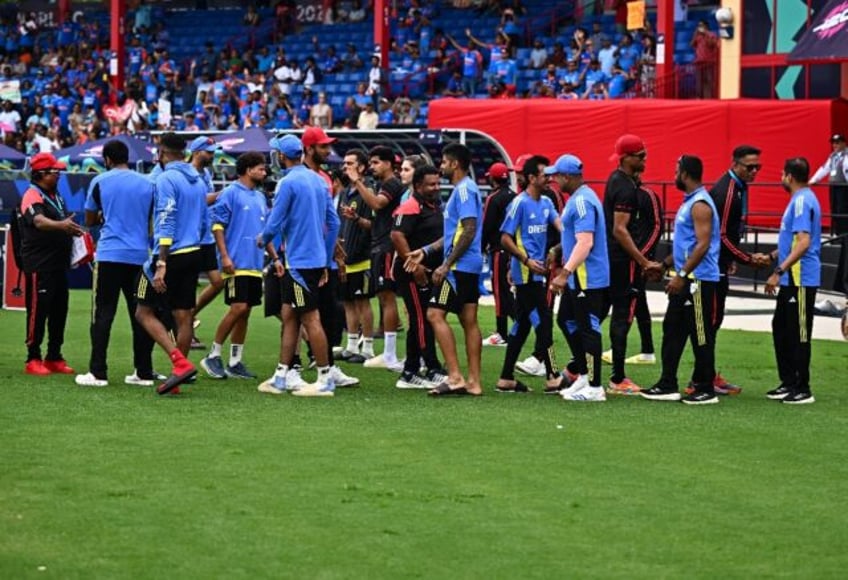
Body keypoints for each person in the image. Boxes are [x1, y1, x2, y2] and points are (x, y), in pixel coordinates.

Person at [258, 135, 341, 397]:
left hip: (297, 263)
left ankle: (325, 377)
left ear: (282, 156)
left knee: (310, 318)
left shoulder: (287, 182)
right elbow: (334, 223)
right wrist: (326, 258)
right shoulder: (318, 181)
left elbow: (274, 221)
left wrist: (263, 239)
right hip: (314, 260)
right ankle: (282, 374)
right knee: (289, 314)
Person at [74, 140, 158, 387]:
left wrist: (102, 215)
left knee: (102, 314)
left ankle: (98, 372)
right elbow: (151, 216)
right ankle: (143, 372)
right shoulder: (148, 183)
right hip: (140, 257)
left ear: (107, 159)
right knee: (141, 315)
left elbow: (89, 219)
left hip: (110, 254)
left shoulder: (99, 181)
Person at [641, 155, 721, 405]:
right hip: (687, 278)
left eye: (676, 170)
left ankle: (706, 388)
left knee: (701, 334)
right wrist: (663, 264)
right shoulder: (690, 203)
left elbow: (703, 244)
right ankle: (668, 383)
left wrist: (682, 275)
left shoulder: (700, 205)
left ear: (685, 174)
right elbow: (686, 246)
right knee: (672, 330)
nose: (674, 175)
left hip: (698, 281)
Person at [134, 132, 209, 395]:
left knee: (143, 312)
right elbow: (203, 220)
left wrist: (162, 262)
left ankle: (179, 363)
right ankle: (181, 375)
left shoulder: (166, 179)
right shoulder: (198, 180)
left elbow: (166, 218)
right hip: (193, 250)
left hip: (170, 254)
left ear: (162, 152)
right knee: (184, 315)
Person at [407, 143, 484, 396]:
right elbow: (455, 233)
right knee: (468, 320)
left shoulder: (463, 191)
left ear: (454, 164)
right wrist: (427, 251)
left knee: (434, 314)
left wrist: (446, 264)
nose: (441, 167)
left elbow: (469, 229)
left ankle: (454, 377)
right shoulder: (466, 190)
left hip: (458, 268)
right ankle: (474, 382)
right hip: (468, 266)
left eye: (443, 162)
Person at [702, 145, 770, 396]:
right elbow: (720, 236)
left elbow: (731, 232)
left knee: (714, 320)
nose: (754, 172)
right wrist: (747, 259)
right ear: (735, 164)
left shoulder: (738, 188)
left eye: (758, 167)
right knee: (710, 321)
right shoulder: (728, 191)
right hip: (712, 266)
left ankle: (707, 376)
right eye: (749, 167)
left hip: (720, 263)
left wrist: (735, 257)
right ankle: (702, 378)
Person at [494, 156, 562, 394]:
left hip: (538, 273)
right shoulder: (519, 203)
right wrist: (525, 260)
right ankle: (553, 376)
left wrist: (557, 248)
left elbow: (561, 226)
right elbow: (504, 237)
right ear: (532, 178)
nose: (549, 180)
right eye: (545, 176)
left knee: (522, 325)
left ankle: (505, 377)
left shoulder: (546, 202)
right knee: (543, 323)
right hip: (525, 274)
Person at [199, 152, 269, 380]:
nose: (264, 172)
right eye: (261, 168)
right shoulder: (230, 193)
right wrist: (225, 256)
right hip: (236, 263)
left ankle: (235, 361)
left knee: (245, 312)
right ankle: (213, 355)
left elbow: (265, 233)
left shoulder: (259, 197)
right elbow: (217, 226)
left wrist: (275, 259)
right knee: (238, 308)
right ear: (248, 170)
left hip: (255, 263)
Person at [603, 135, 663, 395]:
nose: (645, 159)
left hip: (612, 259)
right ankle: (617, 378)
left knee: (605, 313)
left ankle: (577, 368)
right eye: (640, 156)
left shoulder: (617, 180)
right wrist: (643, 261)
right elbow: (620, 229)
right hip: (624, 262)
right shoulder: (626, 188)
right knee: (622, 317)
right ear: (626, 158)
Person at [548, 154, 610, 402]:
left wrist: (565, 272)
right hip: (580, 277)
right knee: (566, 320)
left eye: (557, 176)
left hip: (587, 277)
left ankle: (595, 387)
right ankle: (584, 374)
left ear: (567, 177)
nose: (554, 180)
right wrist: (558, 252)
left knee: (588, 329)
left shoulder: (582, 202)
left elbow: (585, 242)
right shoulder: (579, 199)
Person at [302, 126, 358, 388]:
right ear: (309, 148)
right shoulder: (299, 178)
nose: (328, 150)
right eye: (323, 146)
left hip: (323, 254)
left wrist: (334, 247)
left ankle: (324, 365)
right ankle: (294, 366)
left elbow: (327, 219)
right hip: (304, 256)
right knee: (300, 313)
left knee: (328, 311)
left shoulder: (324, 178)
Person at [18, 153, 83, 376]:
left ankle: (54, 356)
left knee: (59, 310)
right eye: (55, 172)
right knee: (38, 311)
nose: (59, 175)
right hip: (39, 264)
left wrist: (72, 229)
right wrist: (62, 225)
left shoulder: (57, 196)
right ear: (42, 174)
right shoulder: (31, 195)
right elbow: (38, 221)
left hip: (58, 264)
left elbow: (61, 222)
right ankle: (33, 357)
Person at [764, 158, 822, 404]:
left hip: (800, 279)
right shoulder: (802, 199)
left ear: (789, 176)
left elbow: (803, 242)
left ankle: (802, 387)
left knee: (798, 332)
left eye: (782, 174)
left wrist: (778, 270)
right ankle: (789, 381)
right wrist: (771, 256)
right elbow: (792, 241)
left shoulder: (801, 202)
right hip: (792, 278)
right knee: (781, 327)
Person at [345, 146, 405, 372]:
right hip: (380, 245)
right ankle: (388, 353)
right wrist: (357, 219)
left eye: (376, 162)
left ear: (389, 164)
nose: (372, 167)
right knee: (383, 297)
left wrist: (357, 182)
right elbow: (377, 222)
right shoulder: (383, 186)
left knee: (387, 298)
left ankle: (389, 354)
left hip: (388, 247)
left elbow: (378, 204)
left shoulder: (390, 184)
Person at [391, 164, 448, 389]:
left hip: (427, 271)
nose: (435, 188)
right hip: (412, 273)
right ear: (417, 186)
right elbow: (396, 235)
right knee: (421, 319)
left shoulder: (433, 205)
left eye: (437, 183)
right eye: (430, 185)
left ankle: (411, 370)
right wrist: (414, 266)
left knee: (422, 320)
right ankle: (431, 367)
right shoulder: (410, 206)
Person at [337, 150, 376, 363]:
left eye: (350, 163)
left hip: (363, 256)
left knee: (362, 302)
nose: (346, 167)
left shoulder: (368, 190)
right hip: (346, 256)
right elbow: (339, 223)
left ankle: (368, 347)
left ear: (361, 167)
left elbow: (375, 225)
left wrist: (357, 218)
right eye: (344, 163)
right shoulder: (345, 192)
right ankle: (351, 345)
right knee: (348, 302)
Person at [188, 136, 225, 351]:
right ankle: (186, 329)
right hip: (192, 237)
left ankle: (190, 316)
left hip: (206, 236)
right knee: (189, 285)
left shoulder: (206, 174)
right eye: (208, 151)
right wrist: (222, 194)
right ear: (196, 151)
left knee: (217, 281)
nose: (212, 155)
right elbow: (199, 200)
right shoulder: (190, 174)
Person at [481, 161, 515, 347]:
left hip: (499, 249)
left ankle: (502, 332)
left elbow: (487, 226)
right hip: (515, 250)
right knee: (506, 290)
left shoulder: (493, 198)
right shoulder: (516, 196)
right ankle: (519, 323)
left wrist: (480, 248)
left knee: (499, 292)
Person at [810, 134, 848, 235]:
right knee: (834, 209)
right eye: (833, 143)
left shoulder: (846, 155)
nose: (835, 145)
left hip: (843, 187)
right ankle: (837, 233)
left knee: (842, 210)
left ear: (844, 143)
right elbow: (824, 168)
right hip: (834, 186)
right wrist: (814, 180)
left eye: (837, 142)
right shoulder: (832, 156)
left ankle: (844, 234)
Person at [691, 19, 718, 99]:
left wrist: (706, 33)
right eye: (699, 25)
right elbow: (692, 44)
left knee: (708, 80)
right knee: (699, 81)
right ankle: (699, 97)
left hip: (709, 61)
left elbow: (712, 44)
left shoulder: (711, 34)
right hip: (699, 62)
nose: (700, 27)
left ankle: (708, 97)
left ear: (706, 26)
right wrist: (696, 33)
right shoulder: (697, 36)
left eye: (702, 25)